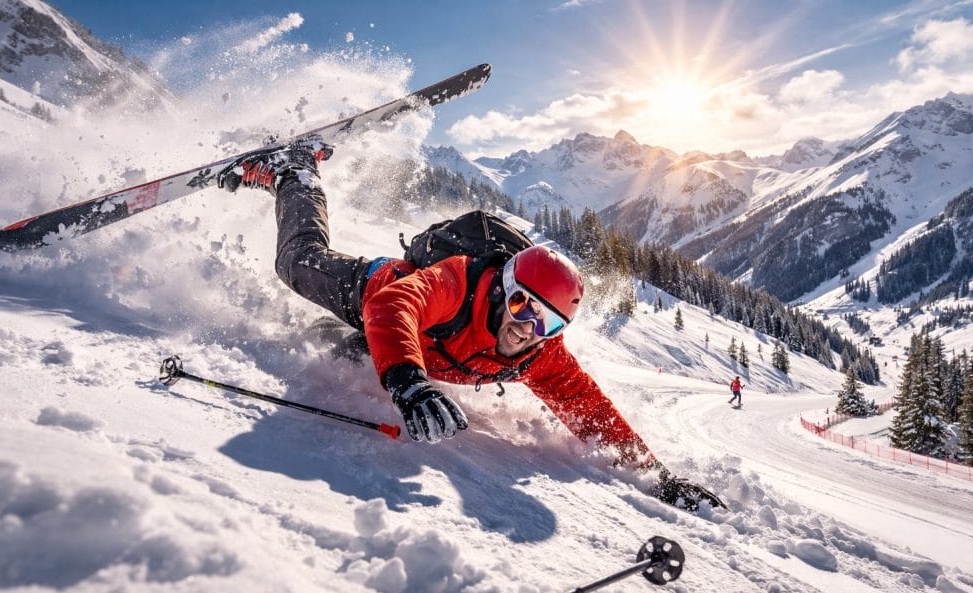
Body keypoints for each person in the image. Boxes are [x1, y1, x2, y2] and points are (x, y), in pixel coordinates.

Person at [215, 138, 721, 509]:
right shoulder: (460, 282)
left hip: (411, 347)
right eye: (522, 306)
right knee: (297, 263)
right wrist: (409, 384)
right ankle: (294, 170)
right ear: (503, 289)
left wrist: (658, 478)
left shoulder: (537, 354)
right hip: (371, 292)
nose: (526, 329)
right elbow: (394, 308)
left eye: (546, 324)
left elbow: (590, 411)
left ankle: (332, 338)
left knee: (337, 354)